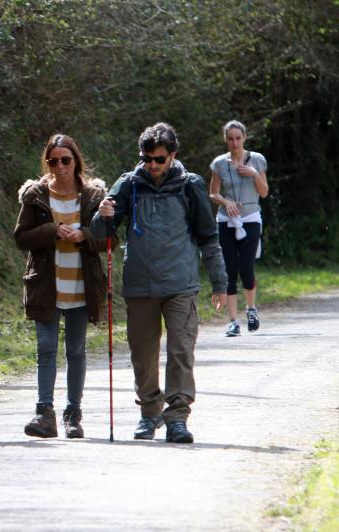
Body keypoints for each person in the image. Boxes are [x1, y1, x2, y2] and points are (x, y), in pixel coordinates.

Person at [90, 122, 227, 444]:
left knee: (181, 349)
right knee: (143, 353)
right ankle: (150, 412)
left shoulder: (190, 185)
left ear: (173, 156)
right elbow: (99, 234)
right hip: (140, 285)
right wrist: (102, 214)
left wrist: (220, 282)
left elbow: (208, 237)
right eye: (147, 158)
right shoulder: (128, 184)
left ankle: (177, 417)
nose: (152, 165)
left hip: (180, 284)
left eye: (159, 159)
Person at [14, 134, 110, 439]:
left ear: (75, 160)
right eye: (53, 160)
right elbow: (21, 237)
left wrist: (85, 236)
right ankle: (45, 414)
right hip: (46, 285)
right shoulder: (36, 195)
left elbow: (111, 240)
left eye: (65, 160)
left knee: (76, 350)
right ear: (47, 162)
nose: (59, 166)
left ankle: (73, 416)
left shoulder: (94, 196)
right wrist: (52, 230)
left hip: (82, 285)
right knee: (45, 349)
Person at [208, 120, 269, 337]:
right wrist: (226, 203)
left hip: (251, 218)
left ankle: (251, 309)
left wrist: (253, 174)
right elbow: (213, 193)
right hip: (226, 220)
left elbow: (264, 192)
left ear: (244, 138)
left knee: (246, 266)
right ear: (225, 139)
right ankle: (233, 321)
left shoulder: (257, 160)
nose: (234, 143)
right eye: (230, 139)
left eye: (238, 138)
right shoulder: (219, 164)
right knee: (230, 270)